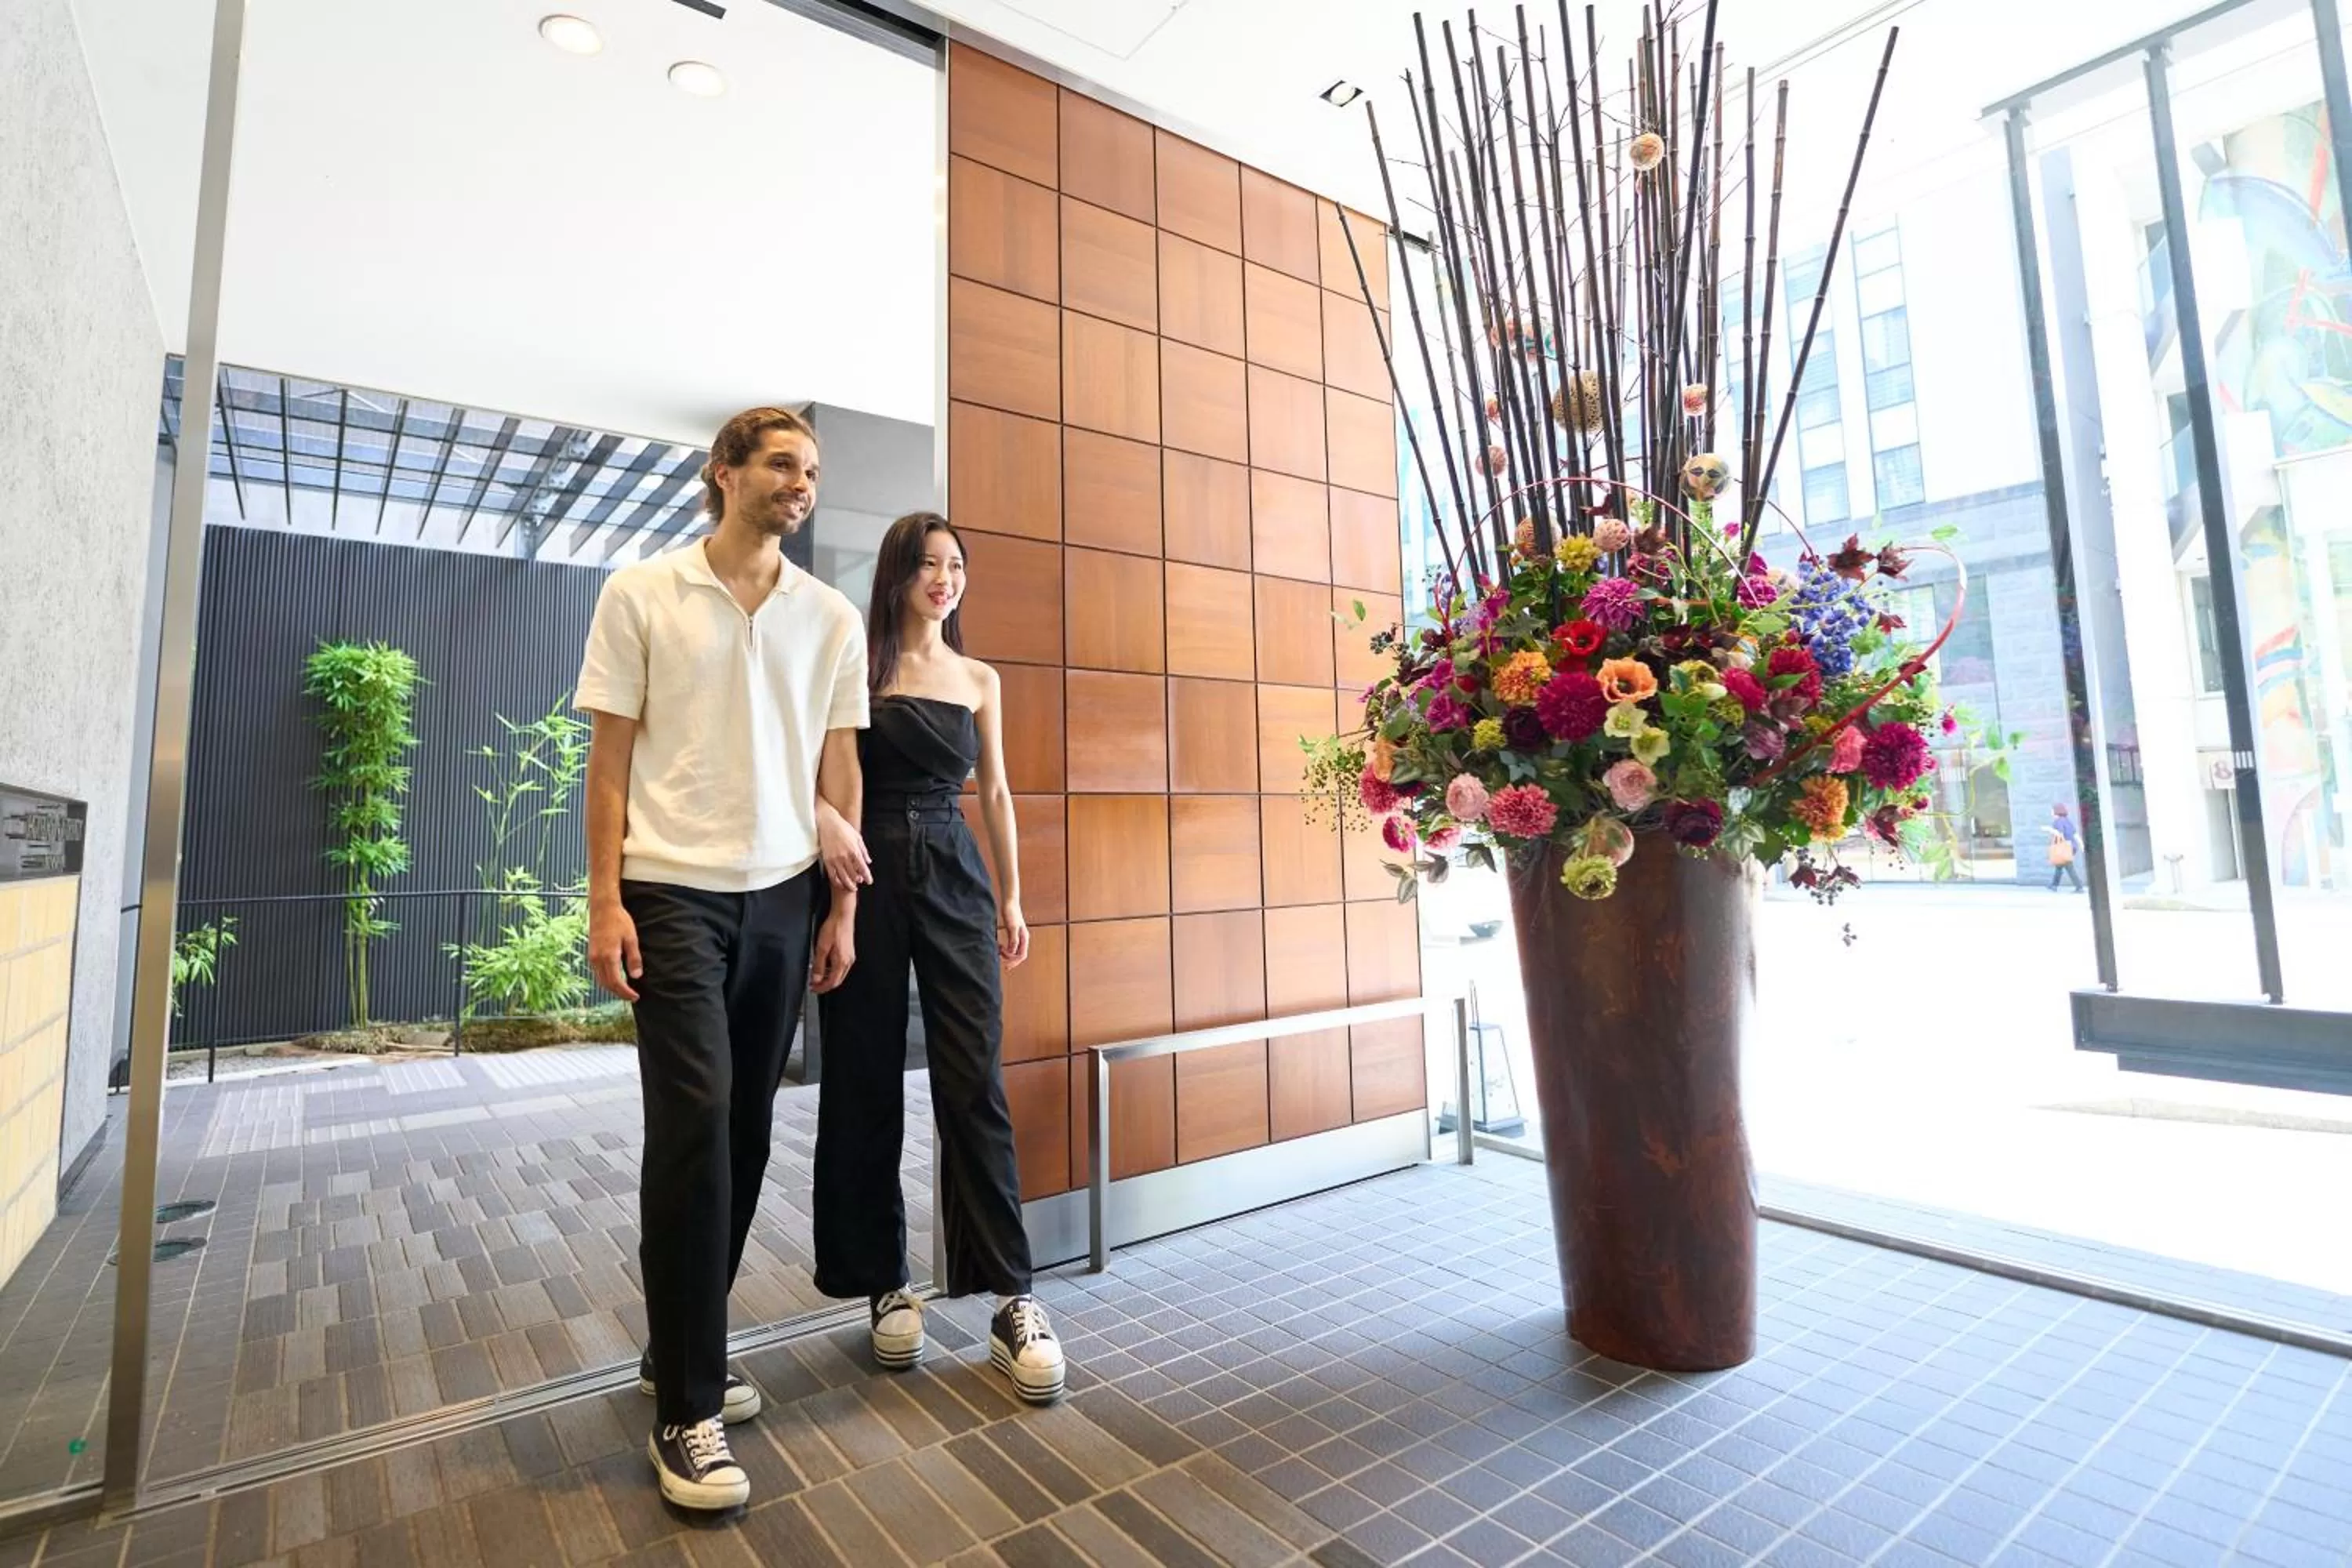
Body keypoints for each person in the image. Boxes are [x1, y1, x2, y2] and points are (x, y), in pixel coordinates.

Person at [575, 406, 867, 1512]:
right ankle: (688, 1409)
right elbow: (608, 765)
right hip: (672, 893)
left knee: (745, 1133)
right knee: (695, 1123)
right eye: (784, 463)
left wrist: (839, 913)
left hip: (785, 896)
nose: (803, 482)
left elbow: (837, 769)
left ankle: (677, 1342)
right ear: (725, 472)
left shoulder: (828, 615)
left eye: (813, 469)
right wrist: (605, 899)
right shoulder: (642, 593)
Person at [809, 512, 1066, 1406]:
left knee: (973, 1081)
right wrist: (838, 898)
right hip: (868, 868)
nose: (943, 578)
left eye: (955, 565)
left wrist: (1012, 894)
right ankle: (883, 1282)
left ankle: (1012, 1297)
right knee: (865, 1076)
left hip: (955, 868)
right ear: (896, 574)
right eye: (927, 564)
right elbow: (829, 777)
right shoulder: (858, 665)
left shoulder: (979, 676)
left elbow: (993, 788)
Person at [2047, 801, 2084, 892]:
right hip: (2072, 847)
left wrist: (2049, 830)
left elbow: (2060, 834)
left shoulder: (2057, 822)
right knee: (2059, 866)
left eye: (2052, 811)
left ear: (2056, 811)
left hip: (2064, 848)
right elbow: (2075, 834)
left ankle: (2079, 887)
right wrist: (2081, 845)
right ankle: (2054, 885)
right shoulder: (2067, 820)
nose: (2051, 813)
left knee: (2069, 867)